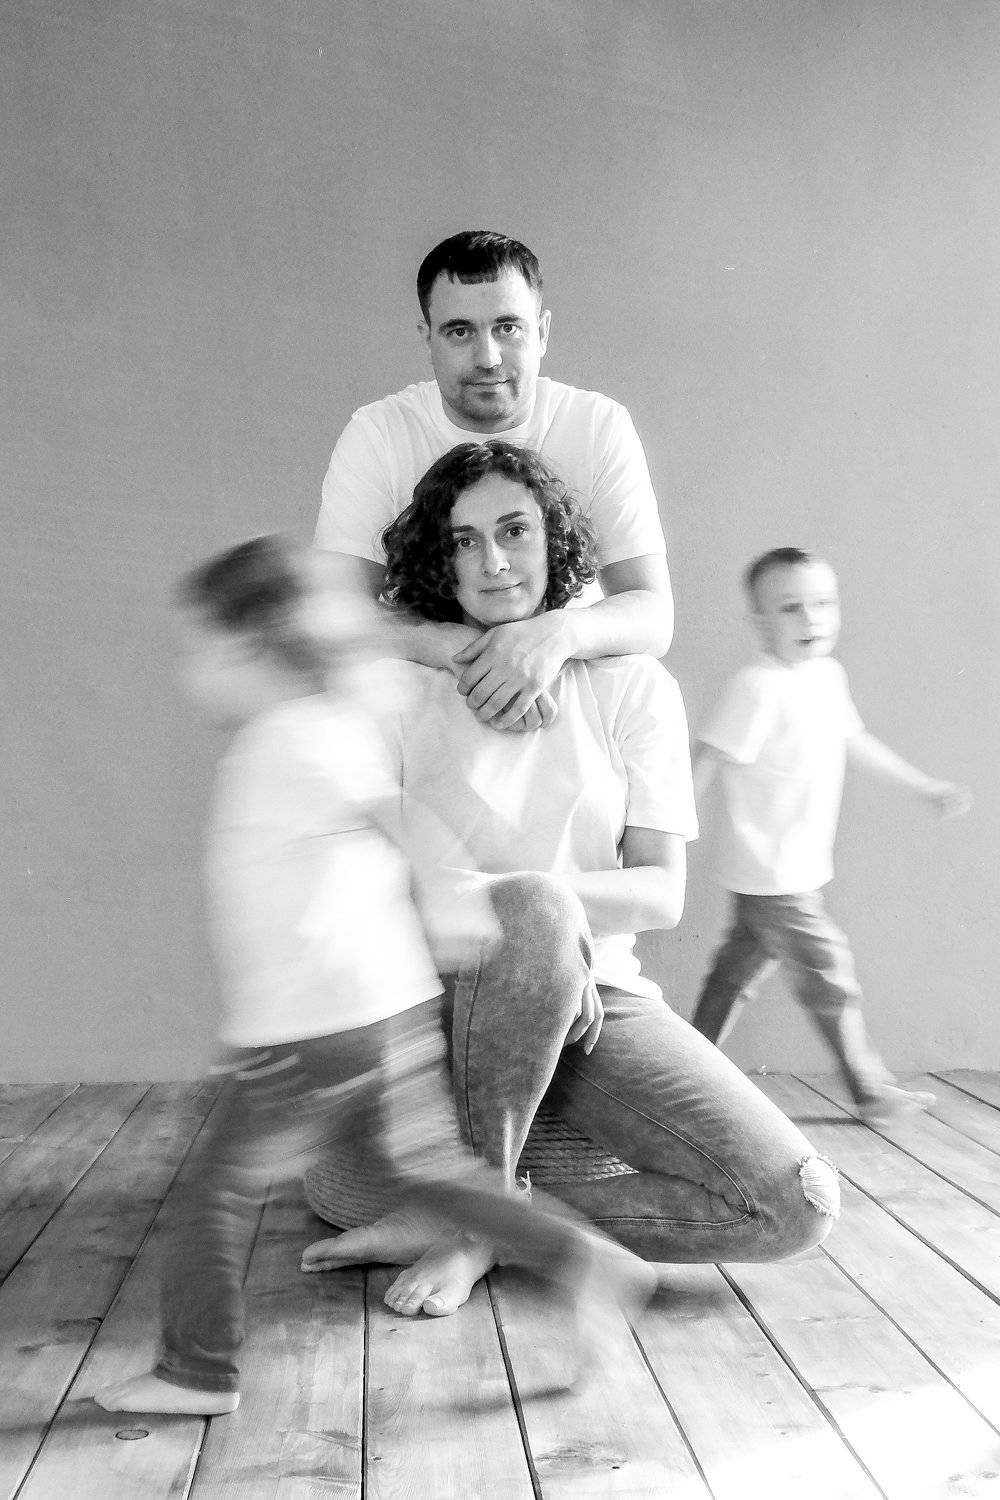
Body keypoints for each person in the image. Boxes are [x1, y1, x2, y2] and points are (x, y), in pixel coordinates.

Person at [95, 535, 656, 1416]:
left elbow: (404, 821)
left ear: (253, 648)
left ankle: (195, 1371)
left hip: (311, 1031)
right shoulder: (325, 724)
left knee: (214, 1192)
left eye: (201, 649)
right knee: (434, 1176)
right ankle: (577, 1260)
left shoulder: (289, 739)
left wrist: (447, 899)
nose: (190, 671)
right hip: (379, 1015)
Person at [302, 447, 841, 1318]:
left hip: (602, 999)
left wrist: (553, 940)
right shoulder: (399, 690)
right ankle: (479, 1214)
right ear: (441, 560)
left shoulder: (634, 686)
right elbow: (373, 889)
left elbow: (661, 893)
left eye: (515, 531)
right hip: (436, 993)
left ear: (554, 541)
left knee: (796, 1204)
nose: (493, 561)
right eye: (464, 541)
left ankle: (485, 1221)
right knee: (535, 915)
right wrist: (535, 929)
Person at [315, 229, 672, 732]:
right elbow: (329, 616)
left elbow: (654, 614)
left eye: (508, 327)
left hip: (569, 702)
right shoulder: (379, 433)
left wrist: (555, 635)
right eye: (460, 331)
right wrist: (448, 645)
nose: (488, 357)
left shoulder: (597, 424)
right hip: (420, 710)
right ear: (427, 338)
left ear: (542, 332)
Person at [689, 547, 972, 1122]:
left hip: (793, 866)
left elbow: (853, 740)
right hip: (771, 870)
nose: (811, 618)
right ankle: (868, 1089)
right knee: (828, 972)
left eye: (822, 603)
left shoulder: (825, 677)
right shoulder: (758, 685)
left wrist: (922, 786)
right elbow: (710, 755)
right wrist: (667, 825)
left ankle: (685, 1072)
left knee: (732, 977)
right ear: (759, 623)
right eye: (790, 607)